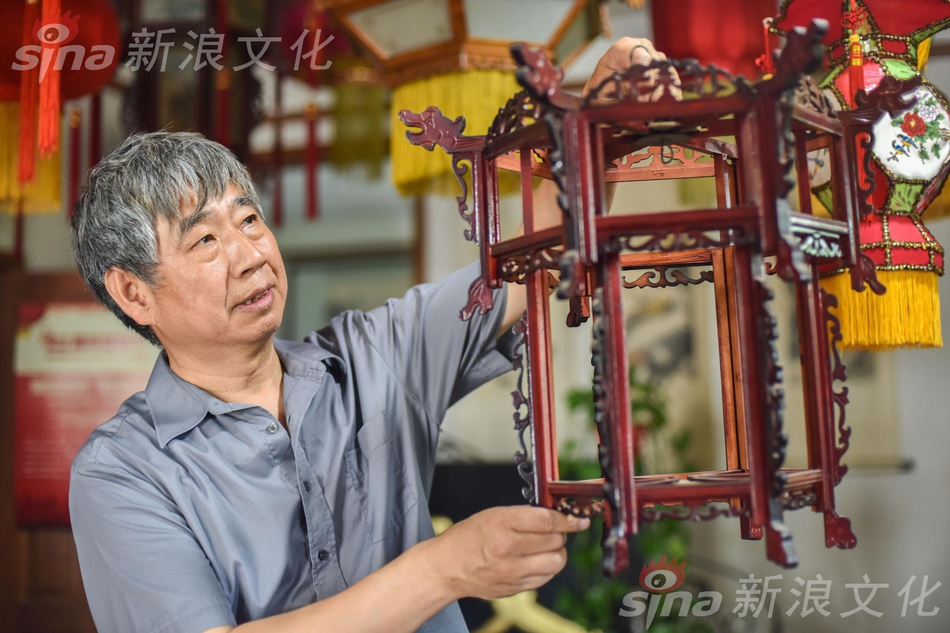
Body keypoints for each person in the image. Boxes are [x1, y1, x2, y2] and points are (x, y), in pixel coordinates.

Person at [68, 38, 665, 633]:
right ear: (133, 293)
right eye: (205, 240)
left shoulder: (373, 357)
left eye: (250, 219)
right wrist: (442, 570)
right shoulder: (122, 470)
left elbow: (537, 253)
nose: (251, 254)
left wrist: (604, 117)